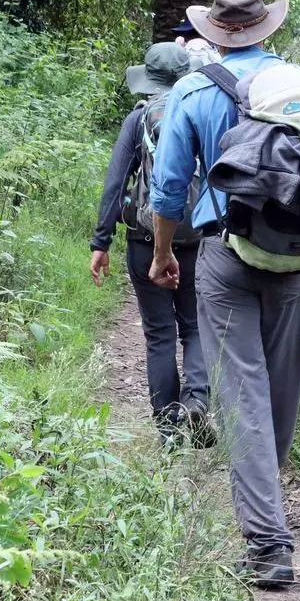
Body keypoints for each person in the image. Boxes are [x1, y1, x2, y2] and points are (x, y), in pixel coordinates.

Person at [147, 0, 300, 589]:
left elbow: (168, 190)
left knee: (239, 395)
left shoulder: (193, 90)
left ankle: (269, 545)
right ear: (265, 28)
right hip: (299, 256)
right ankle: (268, 507)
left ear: (215, 33)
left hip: (225, 253)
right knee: (280, 391)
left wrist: (164, 255)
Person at [92, 42, 215, 445]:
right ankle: (196, 402)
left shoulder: (138, 119)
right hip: (197, 239)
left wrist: (101, 241)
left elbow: (115, 186)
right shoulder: (202, 113)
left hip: (146, 240)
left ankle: (168, 432)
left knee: (160, 334)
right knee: (195, 328)